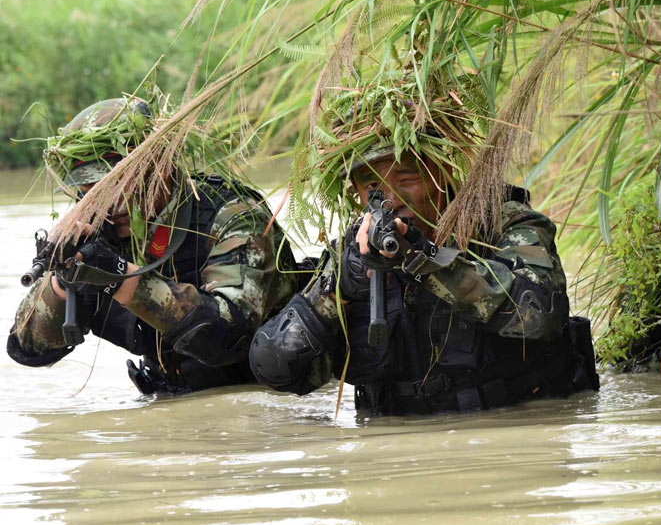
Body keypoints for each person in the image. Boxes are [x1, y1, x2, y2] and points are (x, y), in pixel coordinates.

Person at [247, 97, 599, 415]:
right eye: (372, 185)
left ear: (443, 172)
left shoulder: (502, 224)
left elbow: (538, 313)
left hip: (513, 434)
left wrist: (426, 261)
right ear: (355, 191)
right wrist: (338, 289)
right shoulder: (353, 256)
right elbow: (274, 368)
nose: (392, 199)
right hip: (397, 452)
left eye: (407, 177)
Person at [8, 97, 301, 396]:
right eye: (92, 192)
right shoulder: (99, 235)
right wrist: (63, 283)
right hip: (171, 399)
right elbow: (29, 348)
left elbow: (229, 337)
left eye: (120, 185)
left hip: (265, 399)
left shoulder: (231, 216)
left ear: (162, 166)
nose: (111, 204)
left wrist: (119, 276)